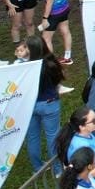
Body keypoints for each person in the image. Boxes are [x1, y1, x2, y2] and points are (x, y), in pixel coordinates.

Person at [24, 36, 67, 173]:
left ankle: (37, 167)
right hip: (49, 104)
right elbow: (58, 81)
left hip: (31, 106)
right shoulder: (51, 64)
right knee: (53, 136)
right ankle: (58, 169)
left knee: (33, 137)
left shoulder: (23, 67)